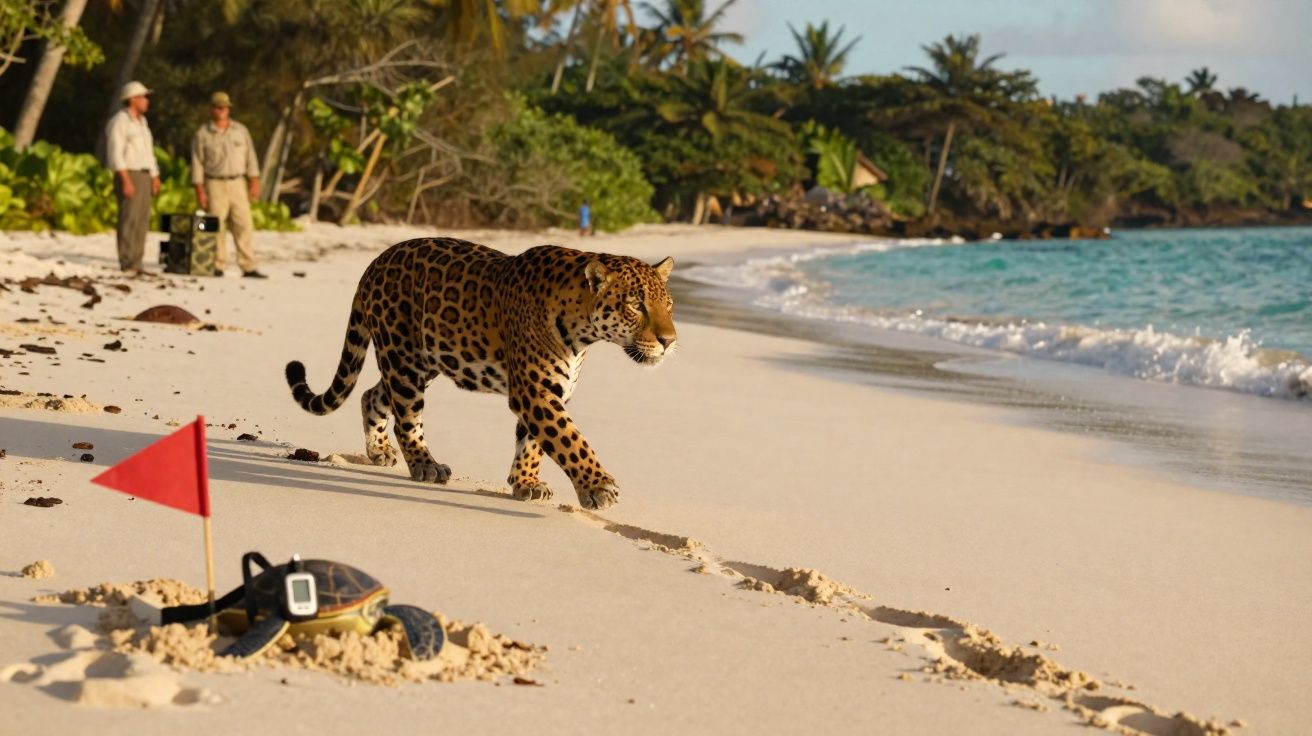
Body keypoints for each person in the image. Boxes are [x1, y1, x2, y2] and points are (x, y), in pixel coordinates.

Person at [191, 91, 265, 278]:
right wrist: (199, 190)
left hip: (238, 182)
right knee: (215, 225)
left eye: (225, 107)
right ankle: (217, 264)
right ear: (212, 109)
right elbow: (197, 163)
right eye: (218, 107)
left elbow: (251, 156)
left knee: (244, 224)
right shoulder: (203, 134)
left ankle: (248, 265)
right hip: (214, 182)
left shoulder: (241, 130)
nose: (222, 110)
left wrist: (254, 180)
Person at [104, 81, 160, 274]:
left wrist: (154, 175)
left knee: (142, 219)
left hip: (144, 174)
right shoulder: (120, 122)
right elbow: (116, 154)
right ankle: (127, 260)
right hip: (129, 173)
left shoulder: (142, 123)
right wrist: (125, 180)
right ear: (133, 99)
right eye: (143, 97)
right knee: (129, 218)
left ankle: (137, 261)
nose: (146, 101)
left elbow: (149, 153)